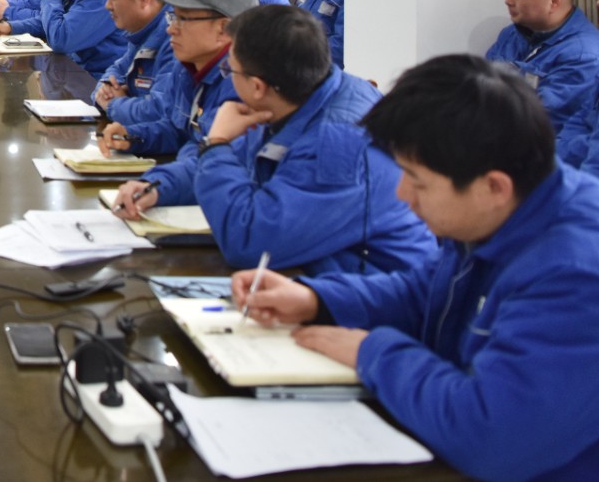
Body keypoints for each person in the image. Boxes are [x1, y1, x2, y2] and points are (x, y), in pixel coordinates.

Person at [236, 55, 599, 482]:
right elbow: (427, 291)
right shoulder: (505, 204)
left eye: (417, 180)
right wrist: (317, 299)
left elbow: (492, 436)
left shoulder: (576, 275)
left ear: (493, 187)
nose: (403, 195)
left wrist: (372, 352)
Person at [168, 5, 433, 274]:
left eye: (230, 70)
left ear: (258, 87)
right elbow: (239, 157)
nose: (227, 75)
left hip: (371, 286)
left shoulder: (337, 143)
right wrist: (157, 186)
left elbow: (251, 242)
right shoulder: (301, 95)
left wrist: (216, 144)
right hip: (320, 272)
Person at [99, 0, 257, 177]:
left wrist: (156, 184)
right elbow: (178, 131)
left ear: (223, 29)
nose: (170, 29)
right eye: (173, 17)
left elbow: (211, 162)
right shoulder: (187, 67)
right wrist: (133, 136)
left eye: (183, 19)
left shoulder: (242, 88)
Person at [485, 0, 599, 166]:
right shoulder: (512, 34)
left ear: (554, 1)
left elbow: (540, 123)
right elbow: (476, 86)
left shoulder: (584, 55)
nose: (508, 0)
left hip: (532, 159)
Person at [93, 0, 177, 125]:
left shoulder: (175, 39)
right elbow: (116, 70)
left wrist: (114, 105)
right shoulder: (141, 29)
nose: (107, 5)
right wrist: (106, 87)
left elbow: (158, 112)